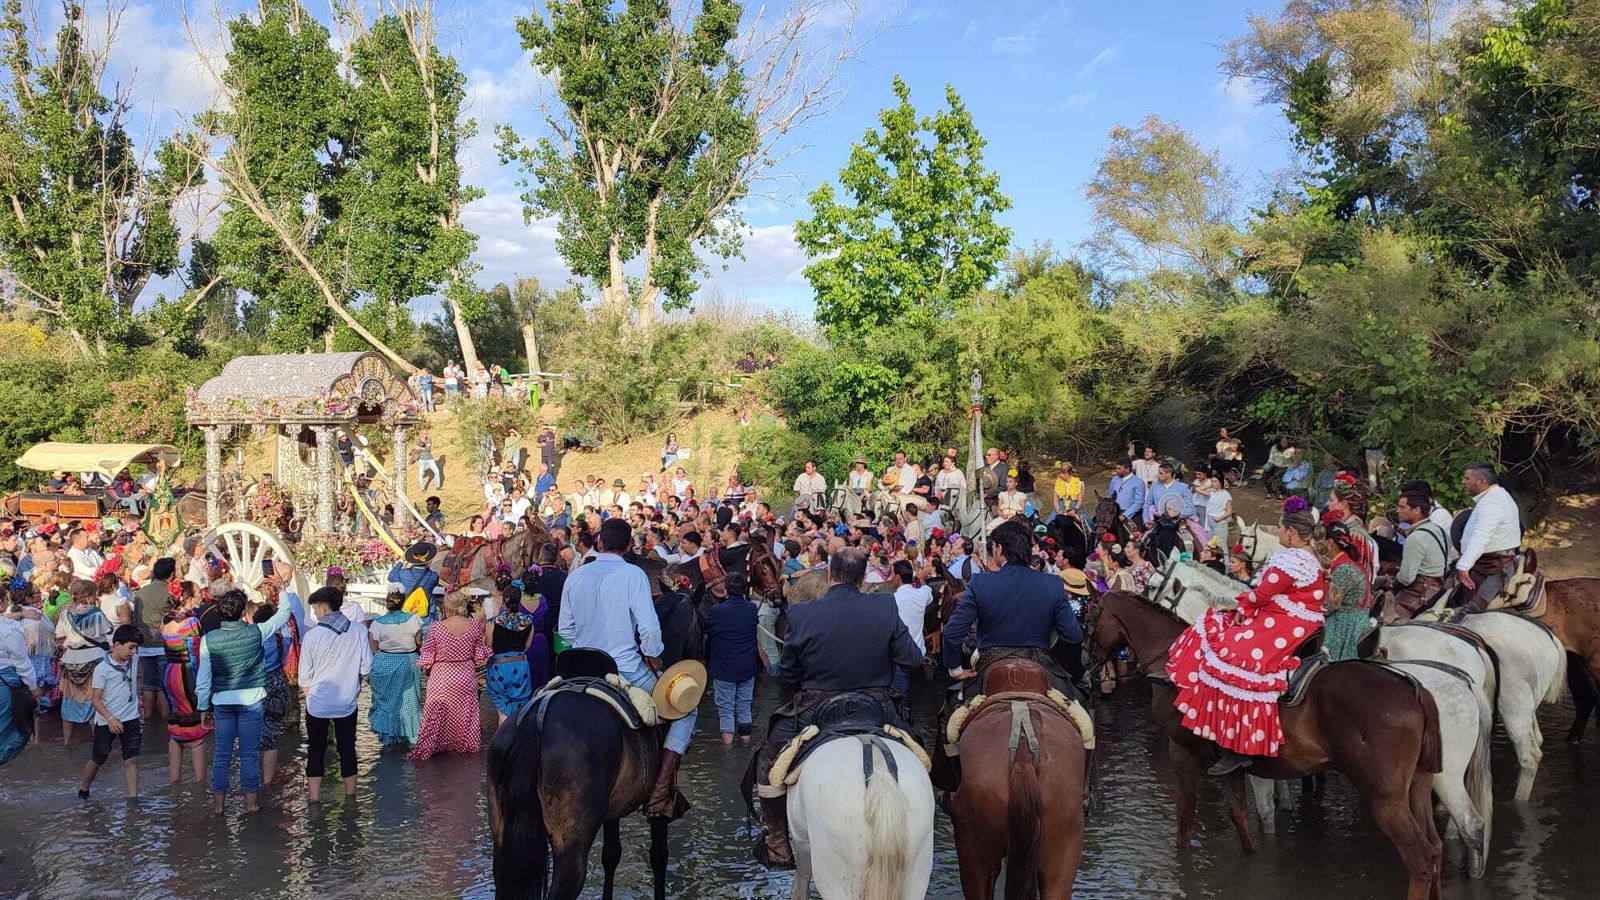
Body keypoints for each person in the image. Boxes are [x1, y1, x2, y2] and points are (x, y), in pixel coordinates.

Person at [754, 547, 922, 869]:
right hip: (877, 705)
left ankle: (776, 841)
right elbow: (912, 660)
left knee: (767, 757)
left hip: (816, 706)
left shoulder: (802, 613)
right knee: (918, 748)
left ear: (830, 575)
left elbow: (788, 676)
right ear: (862, 579)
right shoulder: (885, 606)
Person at [1167, 499, 1327, 775]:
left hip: (1286, 621)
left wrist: (1242, 604)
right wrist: (1244, 605)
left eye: (1279, 528)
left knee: (1233, 654)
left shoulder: (1293, 559)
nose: (1277, 533)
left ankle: (1238, 745)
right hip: (1289, 615)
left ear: (1290, 532)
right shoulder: (1306, 555)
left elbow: (1262, 593)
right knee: (1223, 627)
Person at [559, 518, 696, 817]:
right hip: (624, 668)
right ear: (628, 546)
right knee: (686, 710)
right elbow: (648, 627)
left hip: (579, 668)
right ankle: (660, 794)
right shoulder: (632, 574)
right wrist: (654, 655)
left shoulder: (575, 576)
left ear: (599, 543)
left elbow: (565, 630)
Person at [196, 564, 304, 814]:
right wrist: (282, 586)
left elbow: (204, 678)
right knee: (249, 754)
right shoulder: (257, 632)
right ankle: (251, 804)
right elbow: (285, 613)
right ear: (244, 611)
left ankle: (219, 807)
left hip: (222, 700)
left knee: (222, 755)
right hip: (252, 700)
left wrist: (203, 707)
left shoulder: (208, 640)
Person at [941, 520, 1083, 691]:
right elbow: (1074, 635)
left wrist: (955, 670)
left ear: (999, 548)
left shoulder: (980, 582)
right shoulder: (1052, 583)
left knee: (953, 710)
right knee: (1078, 706)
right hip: (1039, 664)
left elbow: (952, 632)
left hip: (990, 666)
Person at [297, 586, 370, 803]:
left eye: (316, 609)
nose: (315, 614)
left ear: (323, 608)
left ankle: (314, 799)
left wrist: (310, 697)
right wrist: (354, 686)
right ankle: (351, 798)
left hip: (318, 703)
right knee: (348, 749)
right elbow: (366, 667)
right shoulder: (358, 631)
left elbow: (304, 678)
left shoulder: (312, 636)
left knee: (316, 750)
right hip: (347, 702)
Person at [409, 591, 490, 761]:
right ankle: (465, 747)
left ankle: (431, 748)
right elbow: (479, 655)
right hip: (465, 675)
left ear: (446, 607)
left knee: (436, 713)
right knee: (465, 713)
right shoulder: (474, 626)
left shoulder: (437, 627)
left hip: (442, 676)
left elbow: (428, 655)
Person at [78, 625, 143, 799]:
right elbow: (95, 699)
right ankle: (83, 790)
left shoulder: (134, 661)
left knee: (131, 760)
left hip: (131, 718)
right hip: (106, 721)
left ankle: (133, 800)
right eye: (130, 647)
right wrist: (110, 718)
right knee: (99, 758)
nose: (134, 652)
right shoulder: (102, 669)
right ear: (116, 645)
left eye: (136, 648)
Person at [160, 587, 211, 786]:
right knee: (196, 728)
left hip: (169, 671)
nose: (201, 595)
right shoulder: (192, 622)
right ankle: (200, 783)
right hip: (187, 674)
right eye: (198, 593)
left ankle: (175, 780)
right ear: (189, 598)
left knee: (176, 724)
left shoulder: (165, 619)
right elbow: (197, 654)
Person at [1455, 462, 1522, 610]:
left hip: (1495, 568)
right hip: (1485, 565)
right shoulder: (1492, 497)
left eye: (1467, 478)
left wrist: (1463, 566)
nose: (1463, 482)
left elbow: (1481, 536)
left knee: (1468, 613)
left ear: (1482, 481)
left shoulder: (1492, 502)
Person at [704, 571, 759, 745]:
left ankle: (727, 750)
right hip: (747, 666)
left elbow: (707, 629)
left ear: (726, 590)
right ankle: (745, 743)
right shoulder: (751, 608)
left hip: (724, 667)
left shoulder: (717, 611)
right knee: (744, 706)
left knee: (726, 709)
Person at [57, 579, 112, 747]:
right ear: (89, 595)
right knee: (95, 700)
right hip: (94, 659)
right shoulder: (95, 613)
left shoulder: (65, 613)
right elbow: (107, 630)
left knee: (68, 700)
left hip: (71, 659)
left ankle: (67, 742)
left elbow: (60, 633)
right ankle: (97, 741)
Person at [367, 591, 423, 747]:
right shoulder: (414, 620)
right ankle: (411, 737)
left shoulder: (377, 623)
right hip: (408, 661)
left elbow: (374, 648)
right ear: (403, 602)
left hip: (385, 661)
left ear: (387, 602)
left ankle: (389, 738)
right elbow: (419, 642)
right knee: (410, 702)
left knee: (387, 704)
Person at [1385, 489, 1450, 618]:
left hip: (1419, 593)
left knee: (1384, 620)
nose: (1398, 511)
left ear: (1416, 510)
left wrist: (1391, 582)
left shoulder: (1415, 538)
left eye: (1402, 507)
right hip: (1440, 589)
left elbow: (1406, 577)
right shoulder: (1439, 530)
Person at [1318, 521, 1374, 660]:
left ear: (1330, 542)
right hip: (1349, 619)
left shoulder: (1344, 569)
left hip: (1345, 626)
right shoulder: (1346, 564)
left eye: (1320, 541)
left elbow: (1328, 606)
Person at [484, 581, 536, 726]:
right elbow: (527, 646)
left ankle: (503, 741)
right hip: (520, 667)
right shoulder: (529, 622)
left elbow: (488, 645)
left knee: (503, 712)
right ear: (519, 600)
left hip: (499, 668)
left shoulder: (494, 622)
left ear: (504, 600)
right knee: (519, 709)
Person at [134, 556, 177, 721]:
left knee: (148, 683)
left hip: (144, 644)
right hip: (163, 643)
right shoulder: (169, 593)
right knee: (162, 685)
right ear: (171, 574)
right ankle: (166, 721)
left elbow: (136, 617)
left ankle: (149, 719)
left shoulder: (141, 592)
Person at [889, 559, 933, 695]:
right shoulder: (921, 595)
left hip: (900, 658)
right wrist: (922, 579)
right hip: (919, 655)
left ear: (897, 577)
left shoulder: (892, 600)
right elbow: (928, 591)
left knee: (900, 699)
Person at [387, 541, 440, 621]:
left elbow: (391, 576)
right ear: (429, 559)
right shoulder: (433, 576)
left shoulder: (403, 574)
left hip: (407, 618)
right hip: (425, 618)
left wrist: (401, 561)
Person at [1109, 461, 1145, 527]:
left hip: (1130, 514)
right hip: (1113, 512)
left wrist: (1125, 515)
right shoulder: (1114, 479)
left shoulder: (1138, 482)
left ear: (1127, 469)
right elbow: (1110, 495)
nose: (1117, 471)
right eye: (1116, 468)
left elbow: (1139, 502)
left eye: (1119, 469)